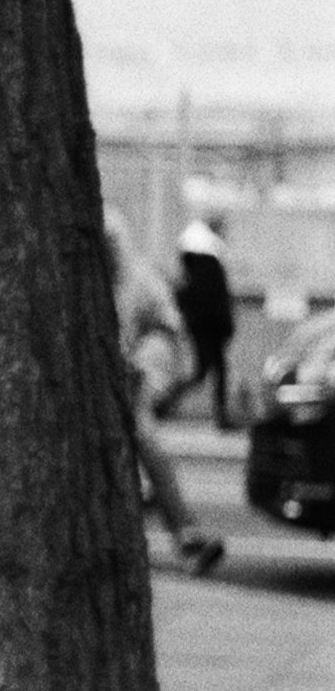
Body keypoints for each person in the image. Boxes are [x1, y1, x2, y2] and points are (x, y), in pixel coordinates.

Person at [106, 212, 224, 574]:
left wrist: (143, 364)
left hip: (131, 379)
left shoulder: (137, 282)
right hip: (110, 380)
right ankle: (172, 524)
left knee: (145, 438)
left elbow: (166, 328)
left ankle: (184, 531)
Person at [162, 213, 236, 431]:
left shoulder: (195, 267)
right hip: (209, 326)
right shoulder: (209, 263)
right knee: (209, 370)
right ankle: (165, 402)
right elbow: (216, 299)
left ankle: (166, 402)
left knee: (205, 371)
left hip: (203, 325)